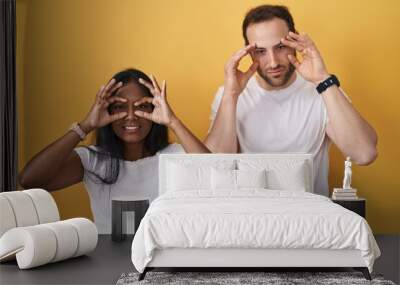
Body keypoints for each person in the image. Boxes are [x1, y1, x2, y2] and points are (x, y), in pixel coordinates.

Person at [204, 5, 378, 196]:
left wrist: (322, 80)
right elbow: (216, 166)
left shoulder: (323, 91)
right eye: (261, 51)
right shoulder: (230, 95)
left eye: (280, 47)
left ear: (294, 41)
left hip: (309, 217)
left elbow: (364, 154)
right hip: (251, 214)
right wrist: (231, 95)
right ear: (249, 53)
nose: (273, 62)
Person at [19, 68, 210, 233]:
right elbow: (30, 179)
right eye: (119, 107)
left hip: (162, 264)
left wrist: (173, 122)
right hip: (108, 264)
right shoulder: (94, 160)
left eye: (141, 106)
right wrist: (85, 125)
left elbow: (216, 175)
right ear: (107, 111)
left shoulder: (173, 155)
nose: (130, 116)